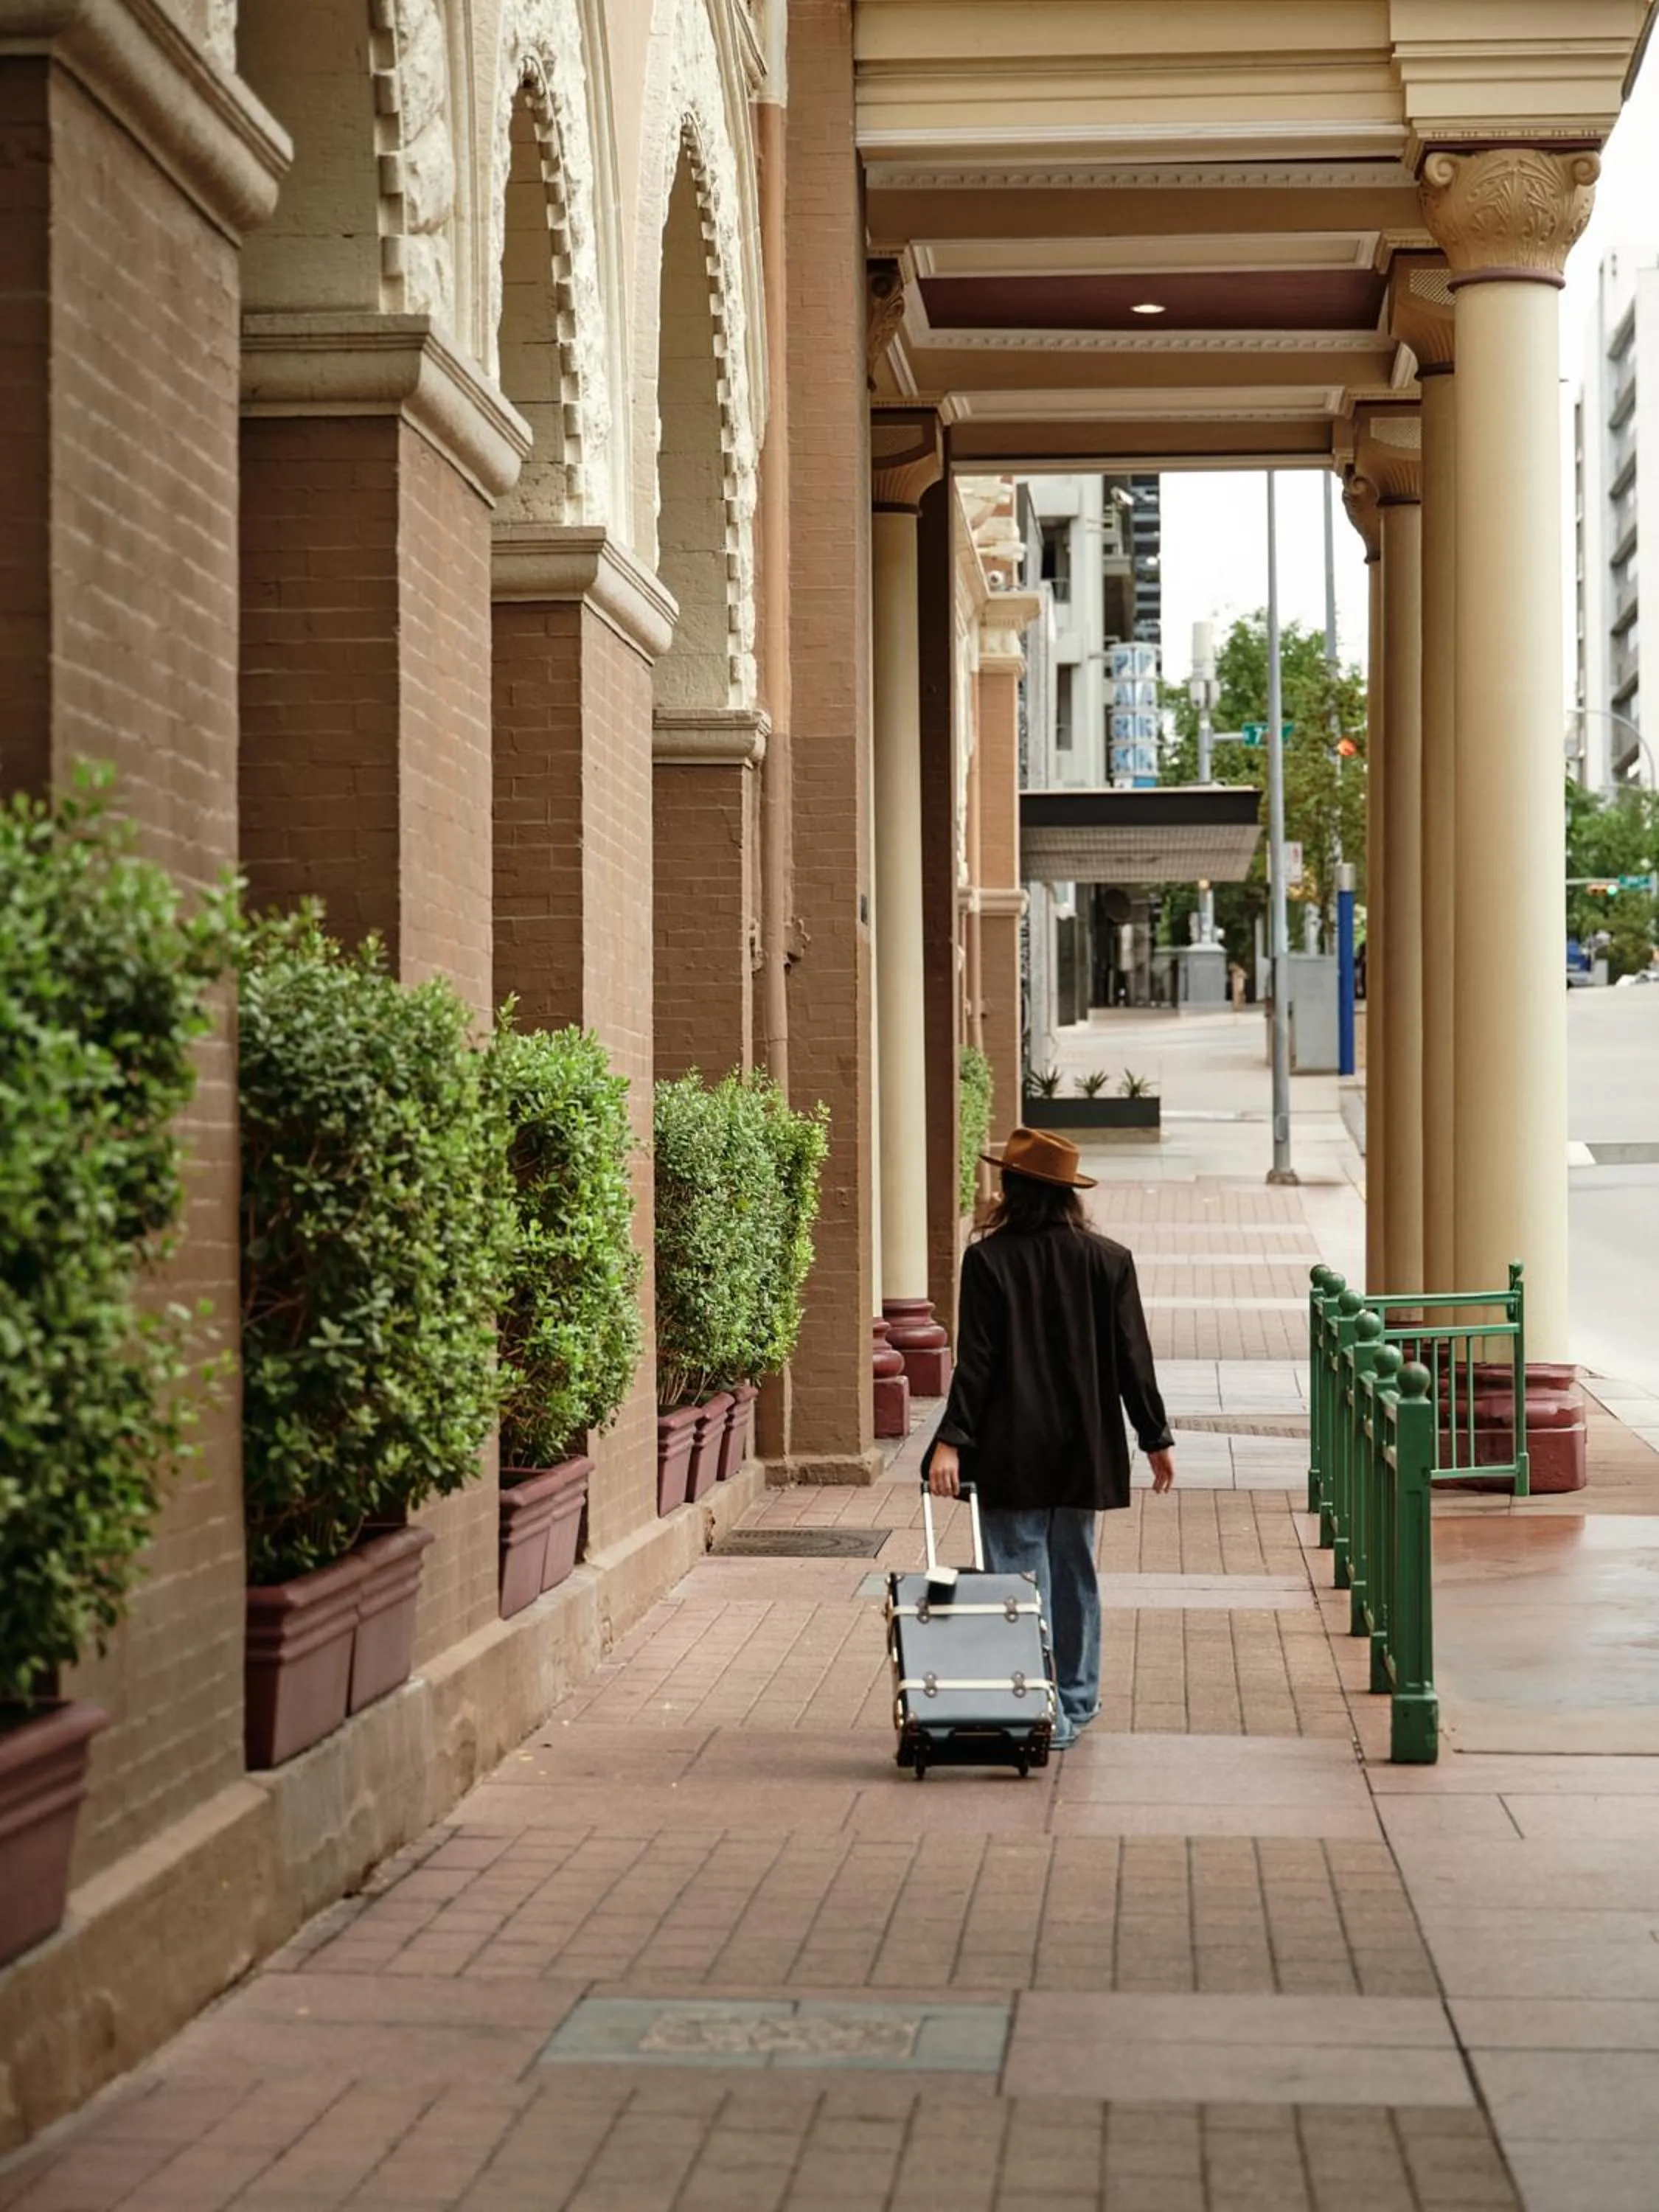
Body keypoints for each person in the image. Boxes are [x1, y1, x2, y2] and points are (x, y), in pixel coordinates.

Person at [925, 1126, 1176, 1749]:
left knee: (1017, 1582)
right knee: (1075, 1574)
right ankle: (1076, 1701)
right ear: (1067, 1195)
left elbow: (976, 1364)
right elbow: (1131, 1359)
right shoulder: (1109, 1261)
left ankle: (1038, 1708)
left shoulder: (988, 1260)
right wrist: (1155, 1437)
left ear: (1014, 1189)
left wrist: (951, 1440)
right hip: (1085, 1449)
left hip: (1012, 1449)